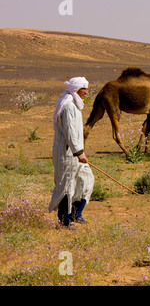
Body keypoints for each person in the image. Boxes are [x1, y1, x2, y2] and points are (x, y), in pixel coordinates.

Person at [48, 77, 94, 228]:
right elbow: (70, 132)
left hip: (75, 153)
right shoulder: (68, 106)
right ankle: (64, 221)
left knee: (85, 179)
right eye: (83, 89)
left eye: (86, 88)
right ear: (75, 89)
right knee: (66, 185)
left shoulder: (74, 105)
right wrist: (79, 152)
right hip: (67, 153)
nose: (86, 92)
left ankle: (75, 213)